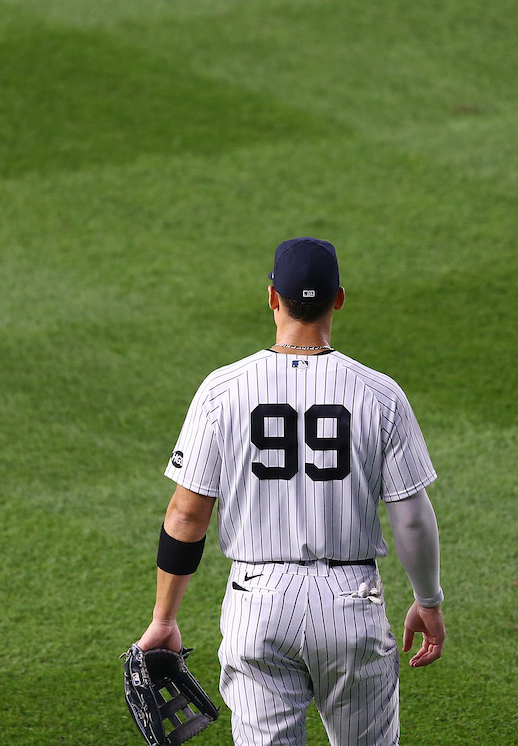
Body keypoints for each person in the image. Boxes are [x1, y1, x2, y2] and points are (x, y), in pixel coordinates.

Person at [136, 237, 446, 746]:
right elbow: (410, 516)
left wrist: (164, 618)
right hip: (350, 603)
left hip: (258, 603)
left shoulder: (223, 390)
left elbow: (186, 516)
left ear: (272, 297)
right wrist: (428, 600)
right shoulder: (379, 393)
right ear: (338, 299)